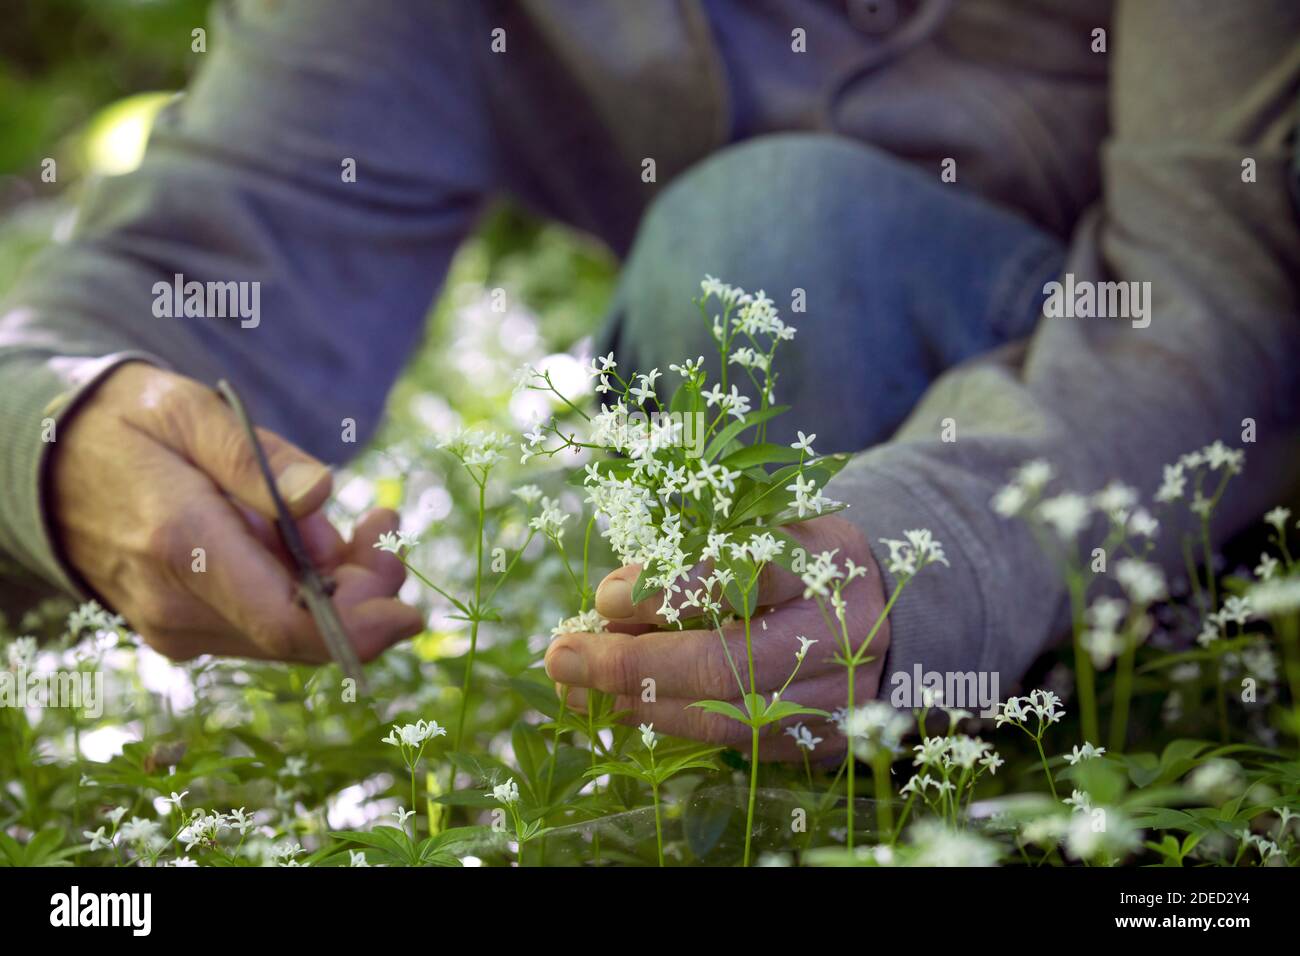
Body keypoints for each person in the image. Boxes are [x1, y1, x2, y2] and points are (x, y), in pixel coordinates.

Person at [0, 1, 1296, 755]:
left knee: (774, 245)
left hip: (1194, 498)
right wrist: (59, 442)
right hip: (810, 549)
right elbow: (223, 234)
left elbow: (1228, 296)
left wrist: (922, 554)